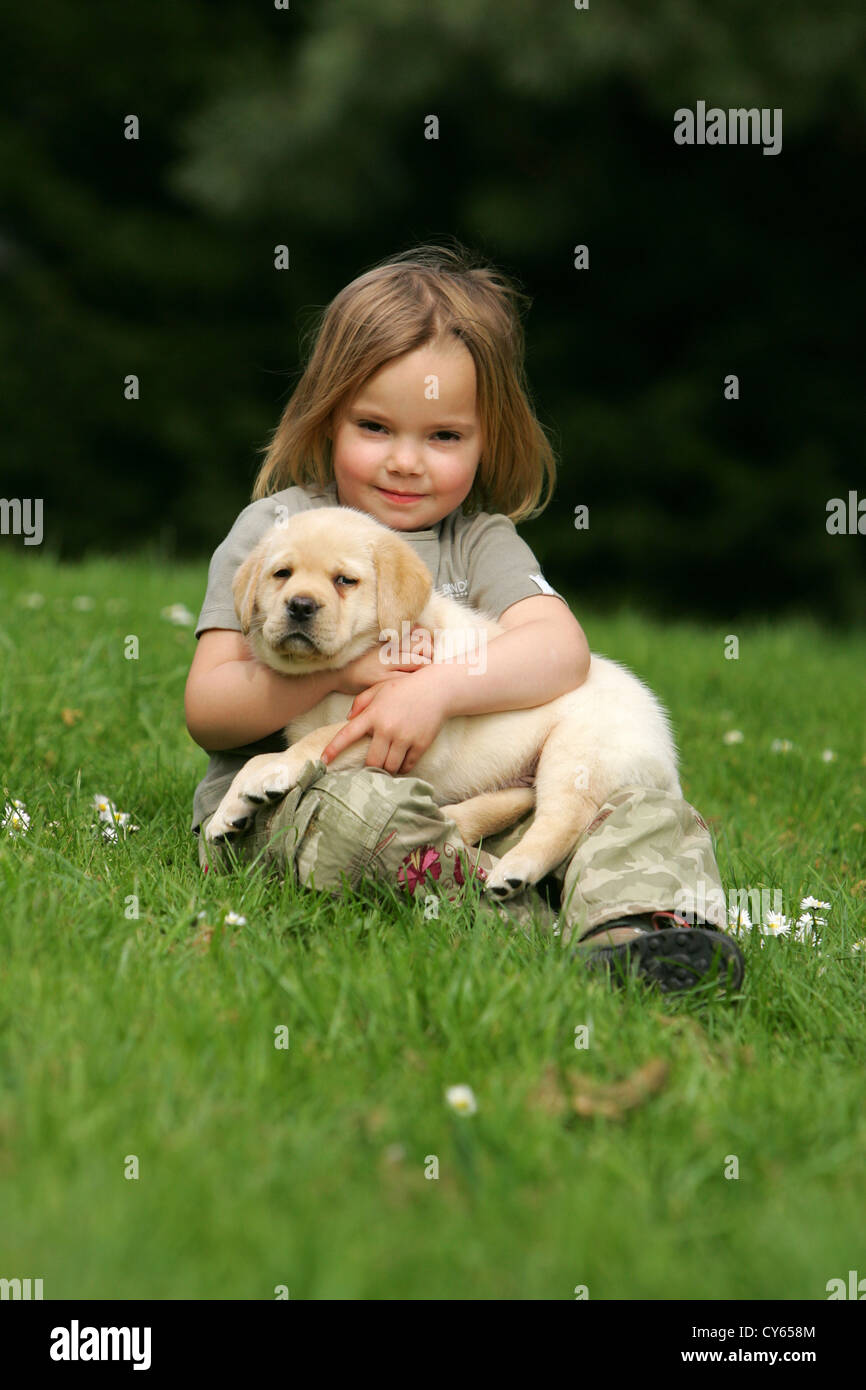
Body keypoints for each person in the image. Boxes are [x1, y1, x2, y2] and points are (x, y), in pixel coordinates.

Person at [184, 243, 744, 997]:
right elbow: (209, 711)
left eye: (443, 436)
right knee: (366, 818)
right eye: (375, 426)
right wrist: (345, 669)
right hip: (295, 806)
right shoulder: (274, 530)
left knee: (637, 805)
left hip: (480, 795)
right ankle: (535, 919)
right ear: (326, 418)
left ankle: (647, 929)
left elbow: (561, 652)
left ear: (488, 440)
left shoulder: (479, 540)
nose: (406, 462)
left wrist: (436, 690)